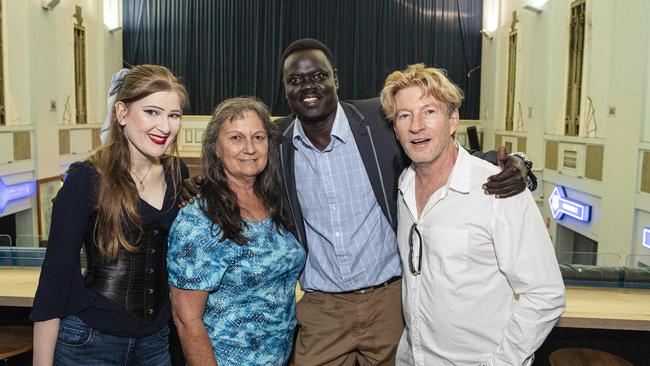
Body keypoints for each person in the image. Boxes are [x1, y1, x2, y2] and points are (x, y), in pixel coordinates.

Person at [275, 38, 531, 365]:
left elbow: (441, 154)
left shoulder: (379, 121)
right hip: (322, 309)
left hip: (390, 303)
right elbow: (237, 176)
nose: (307, 86)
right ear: (284, 88)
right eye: (295, 80)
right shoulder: (276, 143)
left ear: (335, 79)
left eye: (318, 76)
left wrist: (516, 163)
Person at [380, 63, 565, 365]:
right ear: (395, 129)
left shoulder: (498, 191)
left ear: (453, 121)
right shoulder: (403, 186)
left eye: (429, 112)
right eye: (404, 115)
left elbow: (545, 295)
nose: (416, 125)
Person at [30, 64, 189, 366]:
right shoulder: (87, 178)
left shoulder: (176, 173)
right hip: (90, 341)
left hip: (156, 342)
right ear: (121, 113)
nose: (165, 127)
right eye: (152, 112)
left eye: (174, 115)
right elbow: (56, 275)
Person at [168, 97, 306, 366]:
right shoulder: (199, 219)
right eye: (235, 138)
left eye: (258, 137)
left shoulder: (277, 202)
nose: (250, 148)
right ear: (216, 148)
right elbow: (186, 319)